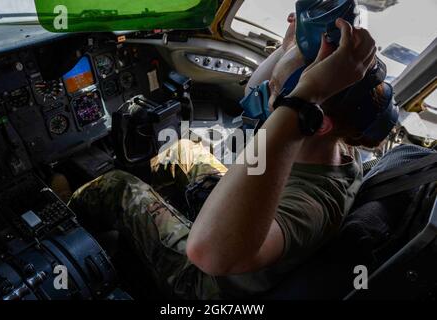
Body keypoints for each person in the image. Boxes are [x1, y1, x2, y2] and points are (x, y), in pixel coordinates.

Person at [68, 18, 379, 299]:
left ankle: (67, 220)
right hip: (248, 222)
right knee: (181, 151)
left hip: (210, 280)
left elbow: (208, 255)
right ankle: (155, 227)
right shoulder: (332, 146)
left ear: (317, 120)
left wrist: (300, 99)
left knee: (117, 186)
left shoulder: (311, 206)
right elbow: (257, 89)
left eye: (279, 95)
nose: (268, 99)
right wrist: (292, 50)